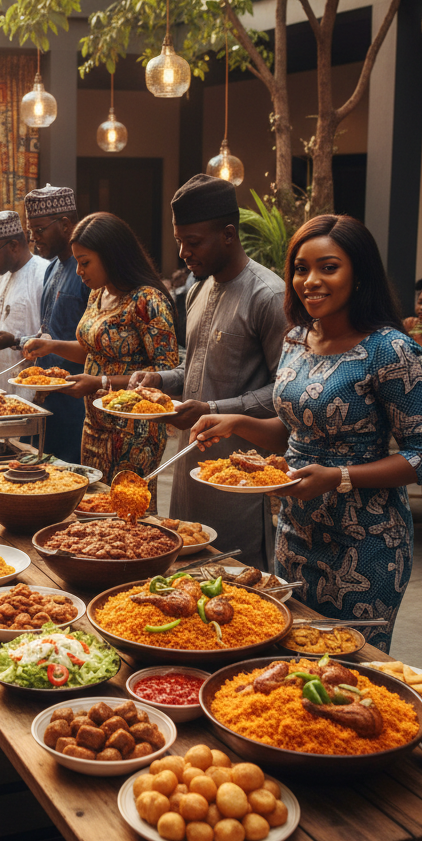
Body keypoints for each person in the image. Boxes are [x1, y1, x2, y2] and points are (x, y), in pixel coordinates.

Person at [189, 214, 422, 654]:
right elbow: (297, 434)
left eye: (328, 267)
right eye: (301, 269)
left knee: (351, 666)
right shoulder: (297, 339)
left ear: (359, 274)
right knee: (292, 654)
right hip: (295, 532)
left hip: (367, 543)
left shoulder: (391, 350)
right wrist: (239, 423)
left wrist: (338, 477)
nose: (310, 281)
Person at [130, 175, 288, 568]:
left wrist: (214, 408)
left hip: (238, 473)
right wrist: (160, 379)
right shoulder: (198, 290)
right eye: (179, 240)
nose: (183, 252)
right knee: (186, 571)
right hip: (189, 465)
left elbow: (286, 393)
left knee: (237, 579)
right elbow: (195, 367)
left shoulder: (268, 296)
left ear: (228, 234)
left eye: (193, 241)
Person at [23, 212, 179, 488]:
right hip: (94, 423)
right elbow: (93, 351)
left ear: (112, 256)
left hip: (133, 431)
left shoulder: (147, 301)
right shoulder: (98, 293)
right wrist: (51, 346)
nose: (78, 271)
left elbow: (165, 374)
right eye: (77, 262)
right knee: (94, 501)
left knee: (124, 506)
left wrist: (101, 382)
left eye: (85, 263)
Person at [24, 183, 90, 463]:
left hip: (77, 401)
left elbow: (94, 344)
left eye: (39, 230)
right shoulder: (52, 267)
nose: (34, 238)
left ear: (65, 224)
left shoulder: (88, 272)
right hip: (47, 397)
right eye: (31, 231)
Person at [0, 210, 47, 399]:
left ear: (14, 245)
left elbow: (51, 337)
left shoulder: (43, 274)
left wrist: (15, 342)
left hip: (29, 392)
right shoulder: (1, 274)